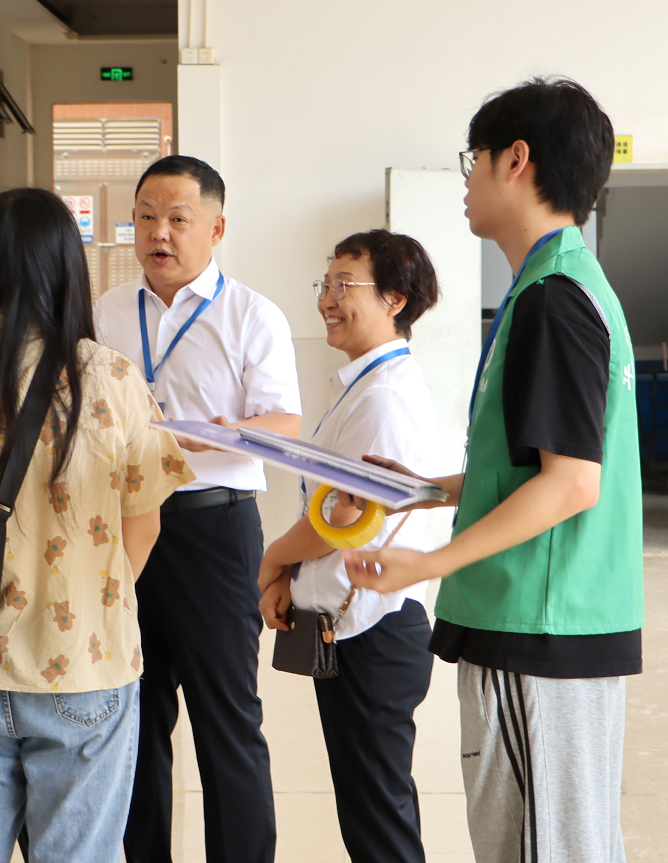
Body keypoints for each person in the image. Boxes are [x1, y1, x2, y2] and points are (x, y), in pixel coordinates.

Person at [343, 78, 641, 863]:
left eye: (471, 160)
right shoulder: (564, 284)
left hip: (536, 626)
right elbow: (534, 466)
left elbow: (572, 483)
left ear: (515, 160)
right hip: (554, 620)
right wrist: (426, 489)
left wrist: (429, 561)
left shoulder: (553, 298)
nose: (467, 180)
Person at [0, 187, 193, 862]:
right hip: (87, 663)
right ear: (67, 266)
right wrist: (88, 599)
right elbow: (144, 527)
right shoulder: (110, 377)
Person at [94, 155, 301, 863]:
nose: (160, 233)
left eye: (178, 219)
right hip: (125, 526)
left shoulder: (251, 314)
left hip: (215, 527)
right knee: (133, 715)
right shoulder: (106, 312)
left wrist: (210, 436)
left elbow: (284, 424)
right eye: (146, 217)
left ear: (216, 228)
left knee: (226, 720)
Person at [256, 230, 441, 862]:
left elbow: (342, 521)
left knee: (379, 822)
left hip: (374, 634)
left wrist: (274, 560)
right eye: (325, 284)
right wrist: (293, 578)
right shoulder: (367, 385)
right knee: (369, 815)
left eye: (345, 285)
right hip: (356, 626)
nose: (327, 300)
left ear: (395, 299)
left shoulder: (383, 397)